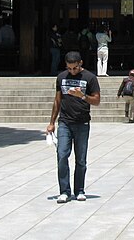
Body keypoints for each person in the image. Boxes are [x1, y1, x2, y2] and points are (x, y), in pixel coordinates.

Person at [46, 51, 101, 203]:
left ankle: (80, 190)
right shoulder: (61, 77)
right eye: (69, 68)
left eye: (75, 68)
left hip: (82, 123)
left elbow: (97, 100)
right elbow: (57, 101)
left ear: (80, 64)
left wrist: (82, 95)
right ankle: (64, 191)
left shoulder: (90, 78)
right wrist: (51, 123)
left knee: (81, 159)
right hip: (64, 122)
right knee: (62, 155)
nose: (72, 71)